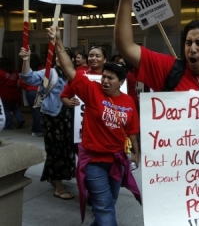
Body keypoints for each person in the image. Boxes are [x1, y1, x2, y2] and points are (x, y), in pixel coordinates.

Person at [48, 27, 141, 225]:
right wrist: (58, 43)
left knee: (109, 202)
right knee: (104, 207)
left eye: (110, 78)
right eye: (103, 77)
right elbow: (69, 70)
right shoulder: (92, 91)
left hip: (117, 161)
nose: (105, 81)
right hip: (93, 161)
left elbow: (132, 129)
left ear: (121, 81)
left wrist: (136, 152)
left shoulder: (128, 102)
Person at [19, 46, 76, 200]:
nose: (58, 58)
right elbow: (28, 78)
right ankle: (58, 187)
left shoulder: (75, 75)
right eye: (57, 55)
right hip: (53, 118)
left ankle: (55, 176)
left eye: (62, 55)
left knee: (66, 150)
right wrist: (26, 59)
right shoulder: (51, 72)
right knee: (55, 151)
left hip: (70, 119)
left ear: (70, 59)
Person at [19, 53, 44, 136]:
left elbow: (23, 82)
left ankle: (38, 130)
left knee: (34, 111)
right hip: (40, 91)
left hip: (31, 92)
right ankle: (38, 127)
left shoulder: (26, 70)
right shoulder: (43, 69)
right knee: (41, 111)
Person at [0, 57, 25, 130]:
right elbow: (18, 82)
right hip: (14, 93)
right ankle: (20, 119)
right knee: (14, 108)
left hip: (5, 93)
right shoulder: (15, 72)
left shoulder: (1, 72)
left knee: (6, 109)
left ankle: (9, 124)